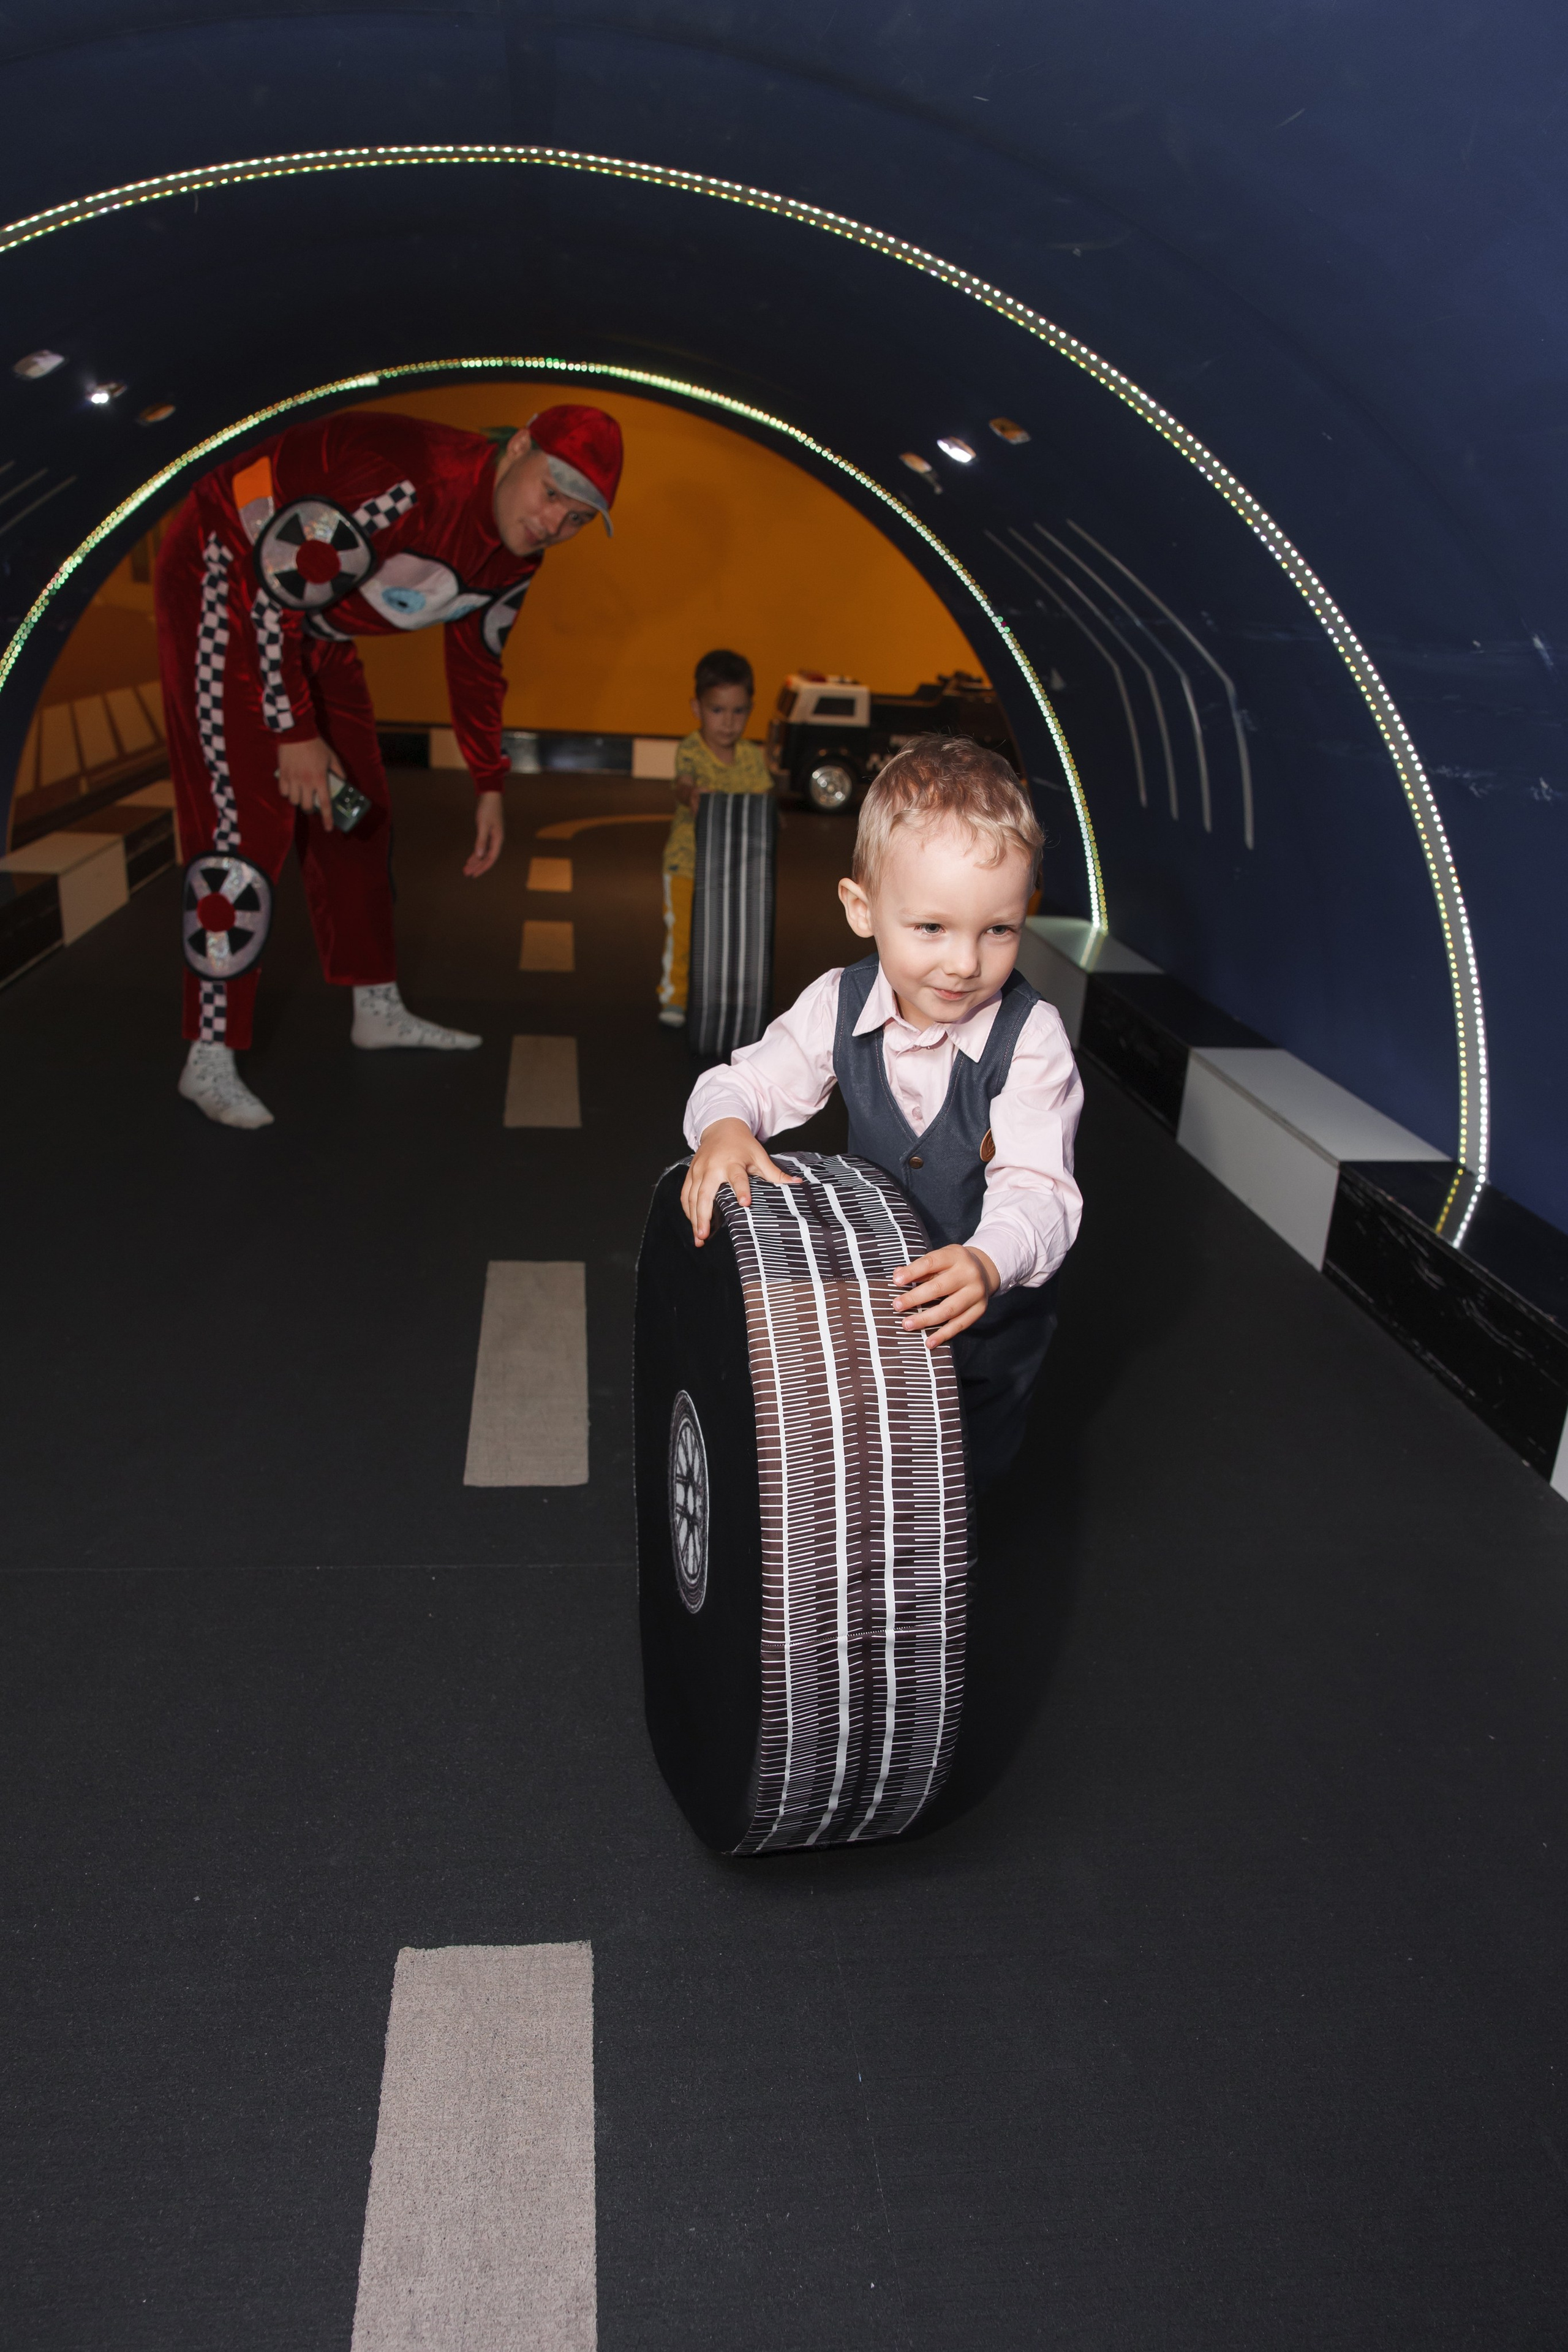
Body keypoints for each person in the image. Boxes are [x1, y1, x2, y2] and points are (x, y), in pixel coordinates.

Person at [157, 401, 624, 1128]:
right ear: (518, 448)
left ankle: (374, 1004)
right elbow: (275, 587)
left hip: (310, 621)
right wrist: (293, 732)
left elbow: (477, 662)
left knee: (358, 815)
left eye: (577, 518)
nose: (553, 521)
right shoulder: (409, 481)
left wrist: (488, 783)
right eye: (551, 491)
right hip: (226, 576)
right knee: (243, 827)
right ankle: (208, 1052)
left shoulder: (515, 559)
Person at [679, 736, 1084, 1492]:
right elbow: (745, 1082)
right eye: (931, 927)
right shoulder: (837, 1001)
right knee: (869, 1477)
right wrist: (726, 1127)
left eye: (997, 930)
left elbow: (1041, 1190)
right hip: (878, 1310)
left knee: (965, 1485)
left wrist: (988, 1260)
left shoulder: (1030, 1038)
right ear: (861, 909)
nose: (965, 963)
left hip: (991, 1328)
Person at [658, 648, 775, 1028]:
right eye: (717, 711)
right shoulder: (692, 749)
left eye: (739, 712)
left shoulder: (750, 757)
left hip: (732, 872)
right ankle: (674, 996)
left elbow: (762, 799)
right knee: (683, 937)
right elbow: (683, 785)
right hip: (686, 865)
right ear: (697, 708)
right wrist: (692, 795)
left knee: (727, 940)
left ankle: (724, 998)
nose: (728, 723)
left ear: (750, 710)